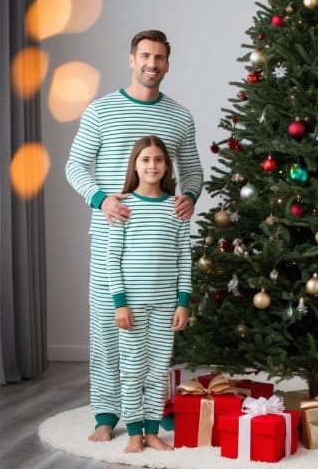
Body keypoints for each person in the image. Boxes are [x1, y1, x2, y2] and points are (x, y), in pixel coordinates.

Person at [65, 29, 203, 442]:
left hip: (158, 245)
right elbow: (74, 166)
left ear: (167, 64)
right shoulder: (101, 111)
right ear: (131, 59)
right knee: (110, 327)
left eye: (159, 58)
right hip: (112, 237)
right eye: (145, 56)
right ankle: (107, 414)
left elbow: (193, 170)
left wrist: (189, 197)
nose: (152, 65)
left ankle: (152, 412)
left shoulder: (179, 116)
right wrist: (102, 199)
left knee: (157, 337)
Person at [107, 135, 191, 452]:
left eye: (158, 160)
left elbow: (185, 257)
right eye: (145, 160)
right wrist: (120, 304)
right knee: (132, 370)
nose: (152, 165)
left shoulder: (176, 207)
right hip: (131, 305)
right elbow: (112, 260)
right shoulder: (123, 206)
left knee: (158, 371)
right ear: (135, 165)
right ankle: (133, 433)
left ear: (166, 165)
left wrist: (183, 303)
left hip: (166, 305)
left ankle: (152, 431)